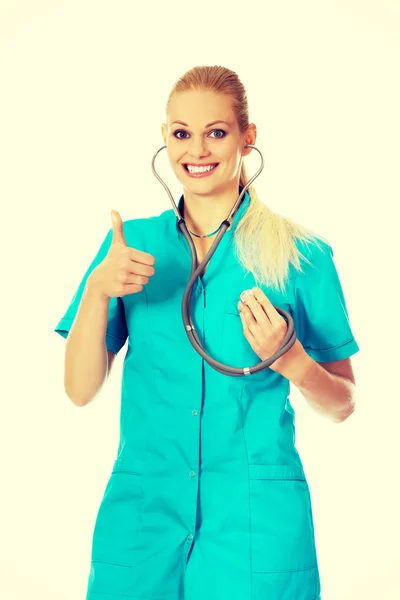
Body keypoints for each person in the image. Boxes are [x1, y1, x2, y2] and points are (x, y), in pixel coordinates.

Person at [54, 65, 360, 600]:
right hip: (145, 517)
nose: (197, 149)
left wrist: (291, 362)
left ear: (248, 137)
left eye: (216, 132)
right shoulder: (131, 247)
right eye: (180, 133)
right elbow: (80, 391)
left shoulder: (301, 256)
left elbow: (343, 403)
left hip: (252, 523)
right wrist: (99, 291)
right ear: (165, 140)